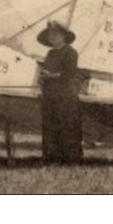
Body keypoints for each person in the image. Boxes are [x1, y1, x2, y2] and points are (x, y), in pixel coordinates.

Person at [37, 21, 82, 163]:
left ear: (63, 36)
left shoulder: (70, 52)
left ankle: (71, 160)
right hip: (50, 96)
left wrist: (51, 76)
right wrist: (42, 79)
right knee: (49, 128)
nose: (53, 38)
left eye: (55, 34)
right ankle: (51, 158)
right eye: (50, 35)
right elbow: (46, 71)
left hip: (66, 97)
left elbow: (69, 74)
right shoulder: (50, 53)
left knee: (67, 128)